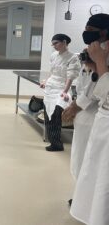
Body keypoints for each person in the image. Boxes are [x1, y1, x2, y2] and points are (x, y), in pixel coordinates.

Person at [63, 14, 109, 180]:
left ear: (103, 32)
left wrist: (76, 105)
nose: (86, 32)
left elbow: (97, 85)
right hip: (84, 114)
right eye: (85, 28)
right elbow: (86, 79)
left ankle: (81, 196)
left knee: (87, 158)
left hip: (94, 115)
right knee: (79, 155)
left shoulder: (103, 53)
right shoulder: (91, 51)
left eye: (90, 30)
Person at [70, 31, 109, 225]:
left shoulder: (102, 58)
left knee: (98, 177)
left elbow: (101, 91)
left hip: (96, 117)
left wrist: (100, 64)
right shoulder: (92, 56)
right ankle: (85, 200)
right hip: (95, 120)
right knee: (86, 165)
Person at [39, 34, 80, 152]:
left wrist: (65, 91)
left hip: (62, 88)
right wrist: (46, 81)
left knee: (57, 112)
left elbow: (70, 76)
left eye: (56, 43)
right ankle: (54, 142)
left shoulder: (72, 58)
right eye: (53, 44)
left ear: (64, 42)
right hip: (51, 87)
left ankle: (57, 143)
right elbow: (53, 72)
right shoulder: (54, 56)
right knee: (48, 113)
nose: (54, 46)